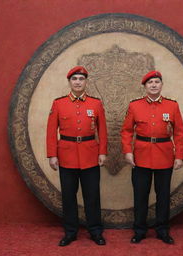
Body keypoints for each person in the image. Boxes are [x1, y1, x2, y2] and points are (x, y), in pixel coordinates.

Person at [121, 70, 183, 244]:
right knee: (140, 196)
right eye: (150, 83)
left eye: (157, 82)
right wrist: (127, 151)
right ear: (145, 87)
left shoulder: (172, 106)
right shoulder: (135, 106)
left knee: (163, 196)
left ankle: (162, 230)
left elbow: (179, 133)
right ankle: (140, 230)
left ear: (161, 85)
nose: (154, 85)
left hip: (164, 156)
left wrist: (179, 156)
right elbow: (126, 131)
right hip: (140, 156)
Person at [46, 66, 107, 246]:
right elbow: (51, 131)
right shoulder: (59, 103)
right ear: (70, 82)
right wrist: (52, 155)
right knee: (68, 196)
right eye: (75, 79)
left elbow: (102, 130)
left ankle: (95, 231)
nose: (78, 82)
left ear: (86, 82)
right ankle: (70, 232)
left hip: (90, 155)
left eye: (81, 79)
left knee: (92, 196)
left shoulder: (95, 103)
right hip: (66, 156)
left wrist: (102, 152)